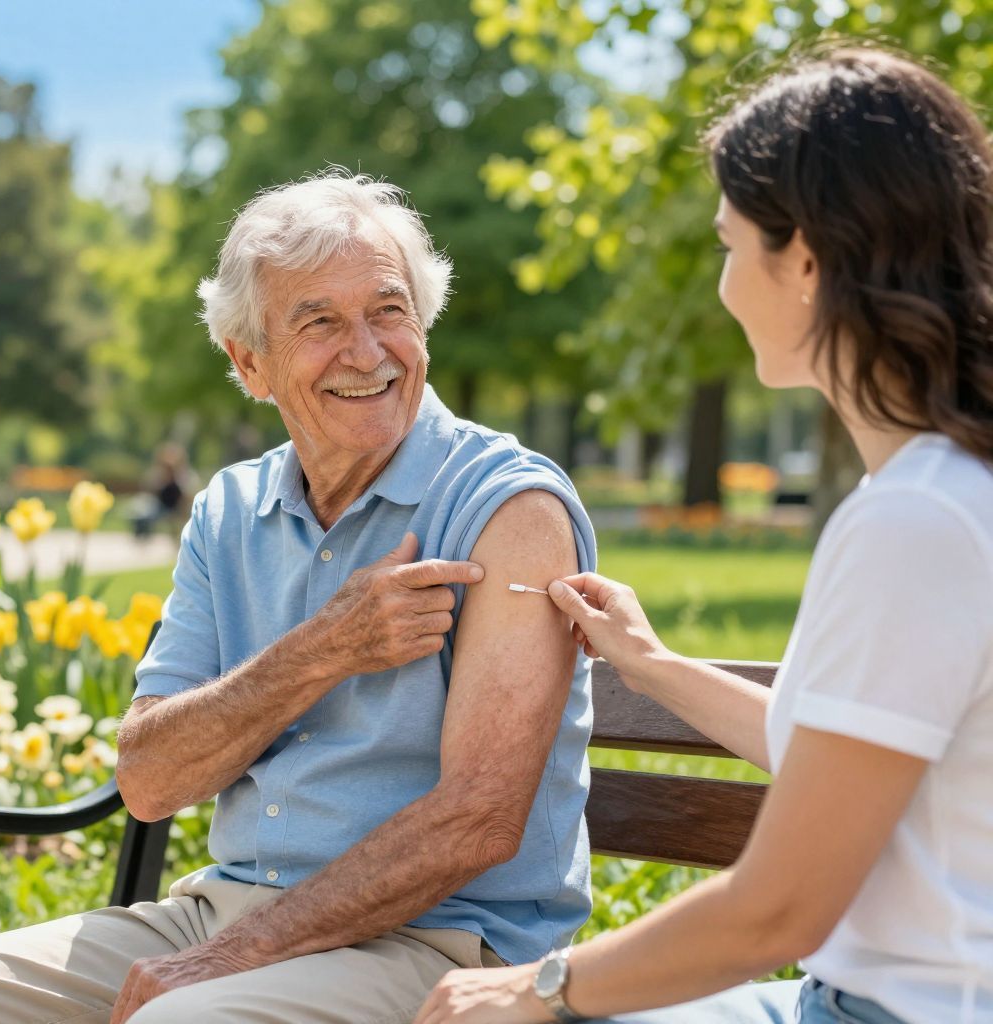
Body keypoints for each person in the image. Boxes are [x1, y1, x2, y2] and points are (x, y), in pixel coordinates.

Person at [0, 171, 597, 1023]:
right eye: (320, 321)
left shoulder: (510, 509)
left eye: (388, 310)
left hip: (443, 945)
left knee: (182, 1020)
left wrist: (230, 960)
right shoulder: (230, 510)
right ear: (251, 364)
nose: (367, 350)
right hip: (225, 911)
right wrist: (327, 647)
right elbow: (150, 779)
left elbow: (479, 820)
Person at [415, 45, 993, 1024]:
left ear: (805, 258)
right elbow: (837, 754)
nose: (724, 285)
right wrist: (652, 664)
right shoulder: (942, 494)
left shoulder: (918, 522)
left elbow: (776, 907)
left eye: (730, 246)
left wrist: (538, 985)